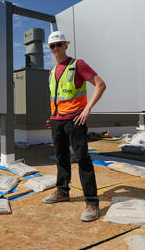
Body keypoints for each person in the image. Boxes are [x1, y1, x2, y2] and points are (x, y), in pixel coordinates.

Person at [43, 30, 106, 223]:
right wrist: (53, 116)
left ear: (65, 46)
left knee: (82, 159)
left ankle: (92, 202)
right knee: (61, 157)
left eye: (59, 45)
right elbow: (57, 97)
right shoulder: (52, 71)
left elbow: (100, 84)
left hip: (75, 120)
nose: (56, 49)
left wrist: (87, 109)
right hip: (57, 121)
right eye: (52, 46)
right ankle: (62, 192)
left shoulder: (77, 65)